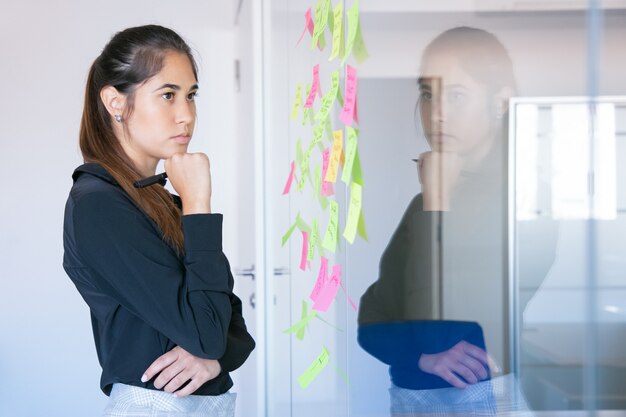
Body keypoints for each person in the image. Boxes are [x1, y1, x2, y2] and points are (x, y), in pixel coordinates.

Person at [357, 27, 557, 416]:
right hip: (413, 397)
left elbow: (440, 329)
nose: (438, 113)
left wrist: (437, 204)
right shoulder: (428, 201)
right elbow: (372, 321)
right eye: (429, 94)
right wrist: (421, 358)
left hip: (479, 400)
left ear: (500, 101)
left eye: (458, 95)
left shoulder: (525, 199)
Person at [63, 25, 255, 417]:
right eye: (168, 95)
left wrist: (214, 359)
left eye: (191, 95)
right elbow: (207, 332)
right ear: (116, 102)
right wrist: (198, 203)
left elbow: (231, 324)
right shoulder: (98, 204)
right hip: (156, 407)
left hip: (202, 405)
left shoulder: (160, 200)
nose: (186, 115)